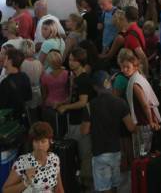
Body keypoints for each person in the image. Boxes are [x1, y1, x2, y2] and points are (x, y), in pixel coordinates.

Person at [81, 70, 136, 193]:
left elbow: (84, 131)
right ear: (109, 83)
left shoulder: (90, 106)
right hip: (116, 152)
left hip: (99, 152)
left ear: (95, 87)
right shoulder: (120, 103)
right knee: (115, 185)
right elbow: (131, 127)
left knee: (104, 188)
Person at [56, 47, 94, 188]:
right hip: (75, 121)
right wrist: (63, 102)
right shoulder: (77, 77)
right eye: (70, 59)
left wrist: (66, 107)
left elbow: (83, 102)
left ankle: (86, 183)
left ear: (81, 62)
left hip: (81, 122)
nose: (70, 63)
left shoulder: (83, 80)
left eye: (74, 60)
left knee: (84, 154)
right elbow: (75, 98)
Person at [120, 51, 161, 157]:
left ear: (135, 67)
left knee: (141, 156)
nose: (124, 70)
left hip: (143, 125)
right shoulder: (140, 78)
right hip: (145, 123)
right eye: (122, 67)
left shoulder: (135, 83)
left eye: (127, 67)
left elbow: (145, 104)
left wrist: (151, 121)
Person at [3, 121, 63, 193]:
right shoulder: (22, 162)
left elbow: (59, 188)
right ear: (32, 143)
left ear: (50, 141)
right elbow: (5, 190)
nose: (40, 146)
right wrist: (26, 182)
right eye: (36, 141)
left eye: (43, 141)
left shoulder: (54, 159)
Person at [0, 46, 32, 119]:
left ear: (10, 61)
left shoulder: (5, 83)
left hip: (9, 119)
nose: (3, 59)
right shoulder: (25, 76)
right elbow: (28, 97)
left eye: (5, 58)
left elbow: (2, 106)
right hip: (21, 117)